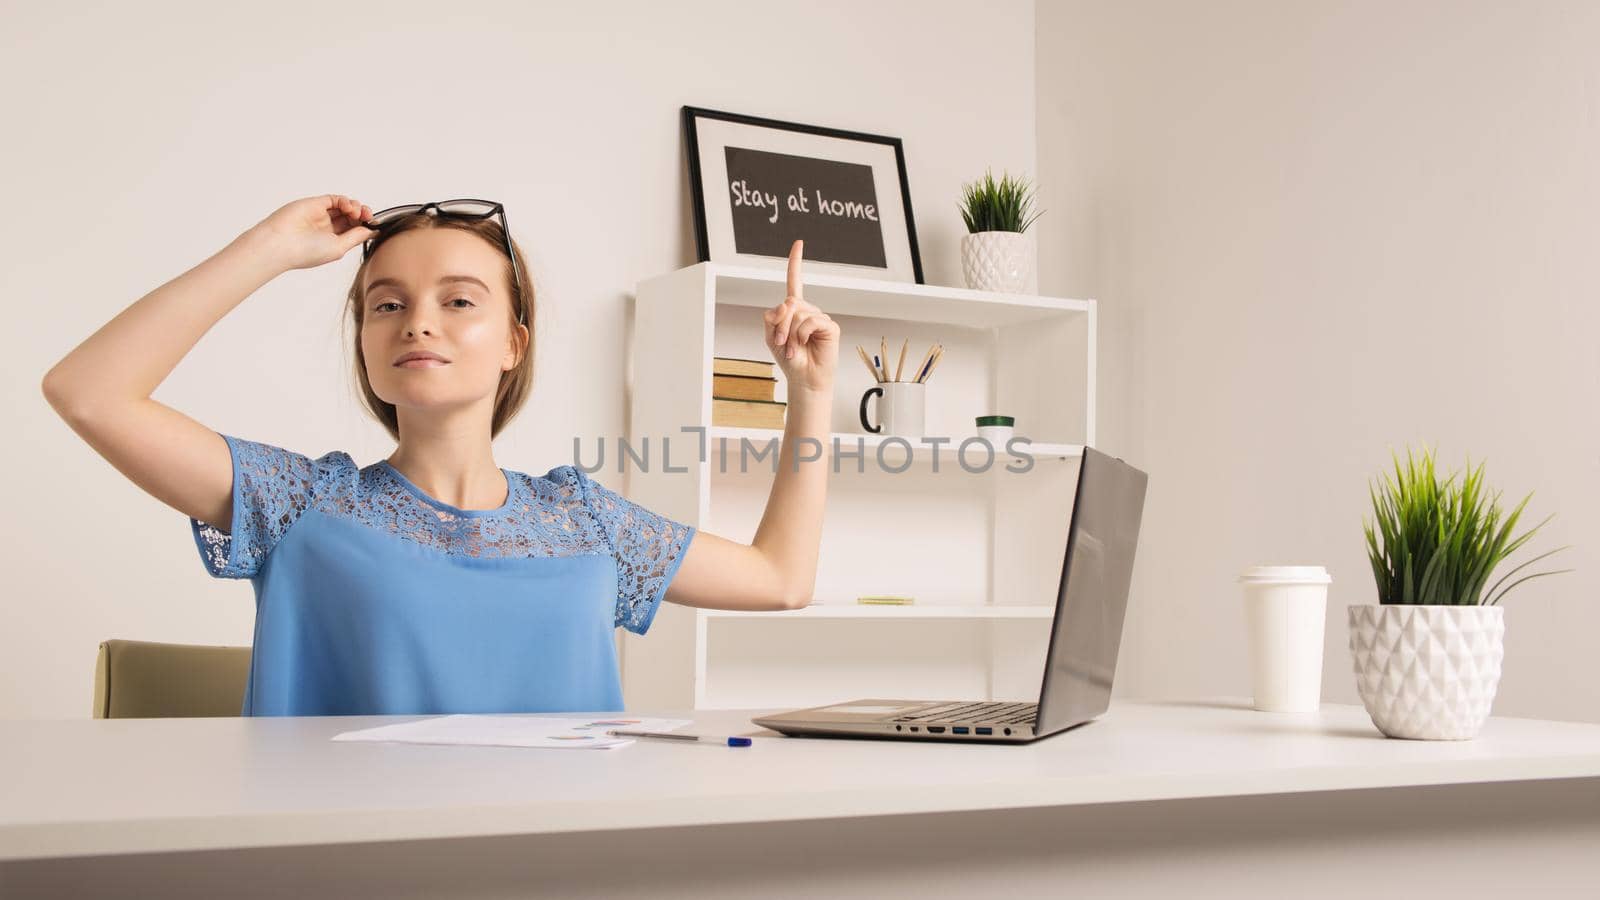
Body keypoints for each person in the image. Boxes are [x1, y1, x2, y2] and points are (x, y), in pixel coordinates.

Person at [41, 194, 841, 716]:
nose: (417, 322)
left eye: (459, 300)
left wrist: (808, 394)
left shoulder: (587, 520)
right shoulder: (295, 502)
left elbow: (781, 579)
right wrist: (268, 248)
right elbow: (89, 392)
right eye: (387, 304)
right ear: (366, 341)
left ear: (512, 343)